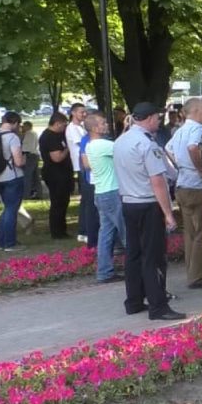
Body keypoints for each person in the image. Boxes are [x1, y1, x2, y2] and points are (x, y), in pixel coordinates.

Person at [113, 102, 185, 321]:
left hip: (128, 202)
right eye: (158, 118)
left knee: (133, 254)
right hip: (148, 203)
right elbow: (158, 182)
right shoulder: (147, 144)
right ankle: (158, 305)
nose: (159, 122)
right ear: (151, 118)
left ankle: (133, 301)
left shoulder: (120, 141)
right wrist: (168, 213)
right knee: (153, 257)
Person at [166, 97, 202, 289]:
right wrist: (200, 169)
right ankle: (198, 275)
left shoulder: (180, 130)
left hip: (182, 183)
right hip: (196, 184)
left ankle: (191, 271)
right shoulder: (199, 129)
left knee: (190, 232)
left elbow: (167, 150)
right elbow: (193, 147)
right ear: (198, 110)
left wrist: (180, 167)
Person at [82, 112, 126, 283]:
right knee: (126, 232)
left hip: (101, 193)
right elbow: (124, 148)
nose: (106, 124)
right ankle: (137, 267)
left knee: (105, 234)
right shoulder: (102, 144)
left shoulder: (91, 145)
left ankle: (104, 271)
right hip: (113, 192)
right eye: (102, 123)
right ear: (94, 128)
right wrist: (129, 129)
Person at [0, 112, 26, 252]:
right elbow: (17, 161)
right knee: (11, 209)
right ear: (15, 122)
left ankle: (0, 242)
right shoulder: (12, 137)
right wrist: (24, 159)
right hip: (12, 176)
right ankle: (10, 243)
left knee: (6, 209)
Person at [39, 113, 73, 239]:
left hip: (62, 173)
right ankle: (57, 231)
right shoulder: (50, 137)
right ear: (57, 123)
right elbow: (57, 158)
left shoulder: (58, 135)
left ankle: (61, 228)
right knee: (58, 202)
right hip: (55, 174)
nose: (64, 127)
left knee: (63, 201)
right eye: (63, 125)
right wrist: (68, 149)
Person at [65, 103, 88, 242]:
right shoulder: (72, 128)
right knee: (86, 199)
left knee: (87, 199)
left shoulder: (81, 127)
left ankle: (84, 229)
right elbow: (83, 145)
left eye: (85, 112)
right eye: (81, 112)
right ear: (73, 113)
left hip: (84, 165)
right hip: (81, 166)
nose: (84, 114)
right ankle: (83, 230)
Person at [20, 121, 42, 199]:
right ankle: (38, 192)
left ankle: (26, 194)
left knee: (27, 175)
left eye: (24, 126)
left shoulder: (28, 134)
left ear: (28, 126)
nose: (22, 128)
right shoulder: (34, 133)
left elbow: (25, 146)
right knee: (35, 175)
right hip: (35, 154)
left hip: (29, 155)